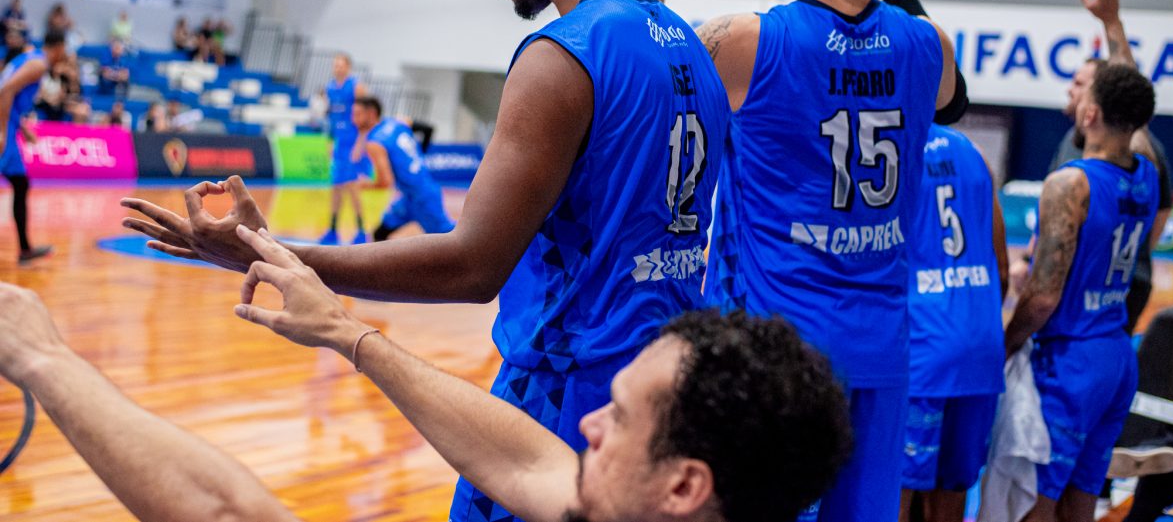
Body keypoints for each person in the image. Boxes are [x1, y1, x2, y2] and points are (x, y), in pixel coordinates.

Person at [122, 0, 731, 522]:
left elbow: (472, 266)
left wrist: (271, 253)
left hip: (567, 396)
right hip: (664, 391)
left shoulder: (562, 54)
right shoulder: (691, 47)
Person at [0, 227, 852, 522]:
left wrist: (43, 356)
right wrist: (348, 334)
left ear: (684, 484)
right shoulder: (660, 503)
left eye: (620, 418)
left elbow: (231, 510)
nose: (588, 423)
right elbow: (526, 457)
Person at [642, 0, 963, 522]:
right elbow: (953, 102)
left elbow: (632, 66)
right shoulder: (927, 44)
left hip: (774, 357)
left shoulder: (751, 40)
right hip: (882, 350)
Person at [1004, 63, 1159, 522]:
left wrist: (1002, 348)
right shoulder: (1148, 174)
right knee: (1081, 501)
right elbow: (1137, 120)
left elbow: (1042, 298)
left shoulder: (1071, 184)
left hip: (1071, 361)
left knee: (1035, 502)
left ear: (1091, 114)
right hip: (1117, 354)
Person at [1048, 0, 1171, 335]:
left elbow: (1131, 99)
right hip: (1083, 297)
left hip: (1105, 295)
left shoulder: (1139, 153)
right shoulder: (1070, 143)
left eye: (1081, 84)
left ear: (1098, 103)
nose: (1072, 90)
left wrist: (1112, 22)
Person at [901, 124, 1009, 522]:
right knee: (954, 488)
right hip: (980, 345)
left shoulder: (893, 145)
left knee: (897, 490)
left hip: (923, 346)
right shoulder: (974, 153)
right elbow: (1002, 268)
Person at [0, 29, 68, 263]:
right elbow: (5, 90)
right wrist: (2, 131)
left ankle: (25, 250)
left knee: (20, 183)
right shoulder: (38, 64)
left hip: (10, 124)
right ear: (59, 47)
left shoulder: (30, 58)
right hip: (4, 126)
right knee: (20, 184)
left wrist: (21, 127)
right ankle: (24, 249)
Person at [351, 96, 454, 239]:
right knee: (380, 234)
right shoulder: (398, 122)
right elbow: (428, 129)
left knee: (448, 238)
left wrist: (364, 185)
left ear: (372, 113)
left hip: (422, 198)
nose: (353, 120)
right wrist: (421, 154)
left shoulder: (375, 142)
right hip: (410, 197)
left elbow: (386, 182)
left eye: (357, 114)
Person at [320, 52, 369, 245]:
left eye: (341, 65)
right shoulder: (330, 88)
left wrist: (361, 143)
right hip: (339, 144)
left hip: (354, 142)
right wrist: (330, 141)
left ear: (348, 67)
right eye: (335, 65)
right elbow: (331, 118)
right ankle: (333, 230)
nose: (338, 68)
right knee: (336, 188)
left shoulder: (356, 87)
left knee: (353, 188)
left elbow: (366, 117)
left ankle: (361, 231)